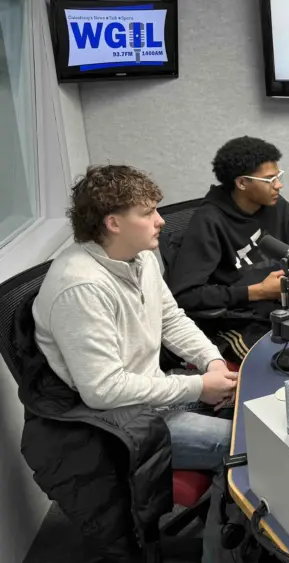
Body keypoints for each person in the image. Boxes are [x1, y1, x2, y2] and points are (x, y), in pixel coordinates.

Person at [32, 165, 238, 560]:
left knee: (252, 411)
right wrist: (197, 386)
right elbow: (104, 390)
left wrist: (211, 361)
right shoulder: (82, 288)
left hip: (152, 395)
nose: (161, 221)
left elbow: (172, 319)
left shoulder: (139, 258)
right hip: (119, 423)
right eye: (147, 213)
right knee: (243, 447)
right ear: (113, 222)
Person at [167, 136, 289, 361]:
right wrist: (256, 291)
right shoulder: (209, 221)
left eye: (278, 176)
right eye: (269, 179)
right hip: (239, 322)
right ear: (242, 183)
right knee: (274, 365)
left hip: (287, 308)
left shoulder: (278, 207)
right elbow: (185, 295)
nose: (279, 185)